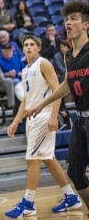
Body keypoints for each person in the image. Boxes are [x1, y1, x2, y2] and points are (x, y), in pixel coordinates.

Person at [5, 35, 81, 218]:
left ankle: (28, 203)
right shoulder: (25, 70)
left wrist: (54, 116)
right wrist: (16, 121)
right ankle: (71, 196)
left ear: (38, 48)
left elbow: (57, 90)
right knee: (48, 158)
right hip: (32, 118)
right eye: (26, 45)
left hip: (44, 115)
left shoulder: (43, 63)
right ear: (22, 49)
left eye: (32, 44)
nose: (29, 47)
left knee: (32, 159)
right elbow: (25, 101)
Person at [26, 0, 89, 213]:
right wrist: (41, 104)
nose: (68, 23)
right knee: (75, 172)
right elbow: (66, 84)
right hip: (80, 119)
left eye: (74, 19)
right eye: (66, 19)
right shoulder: (68, 55)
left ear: (86, 24)